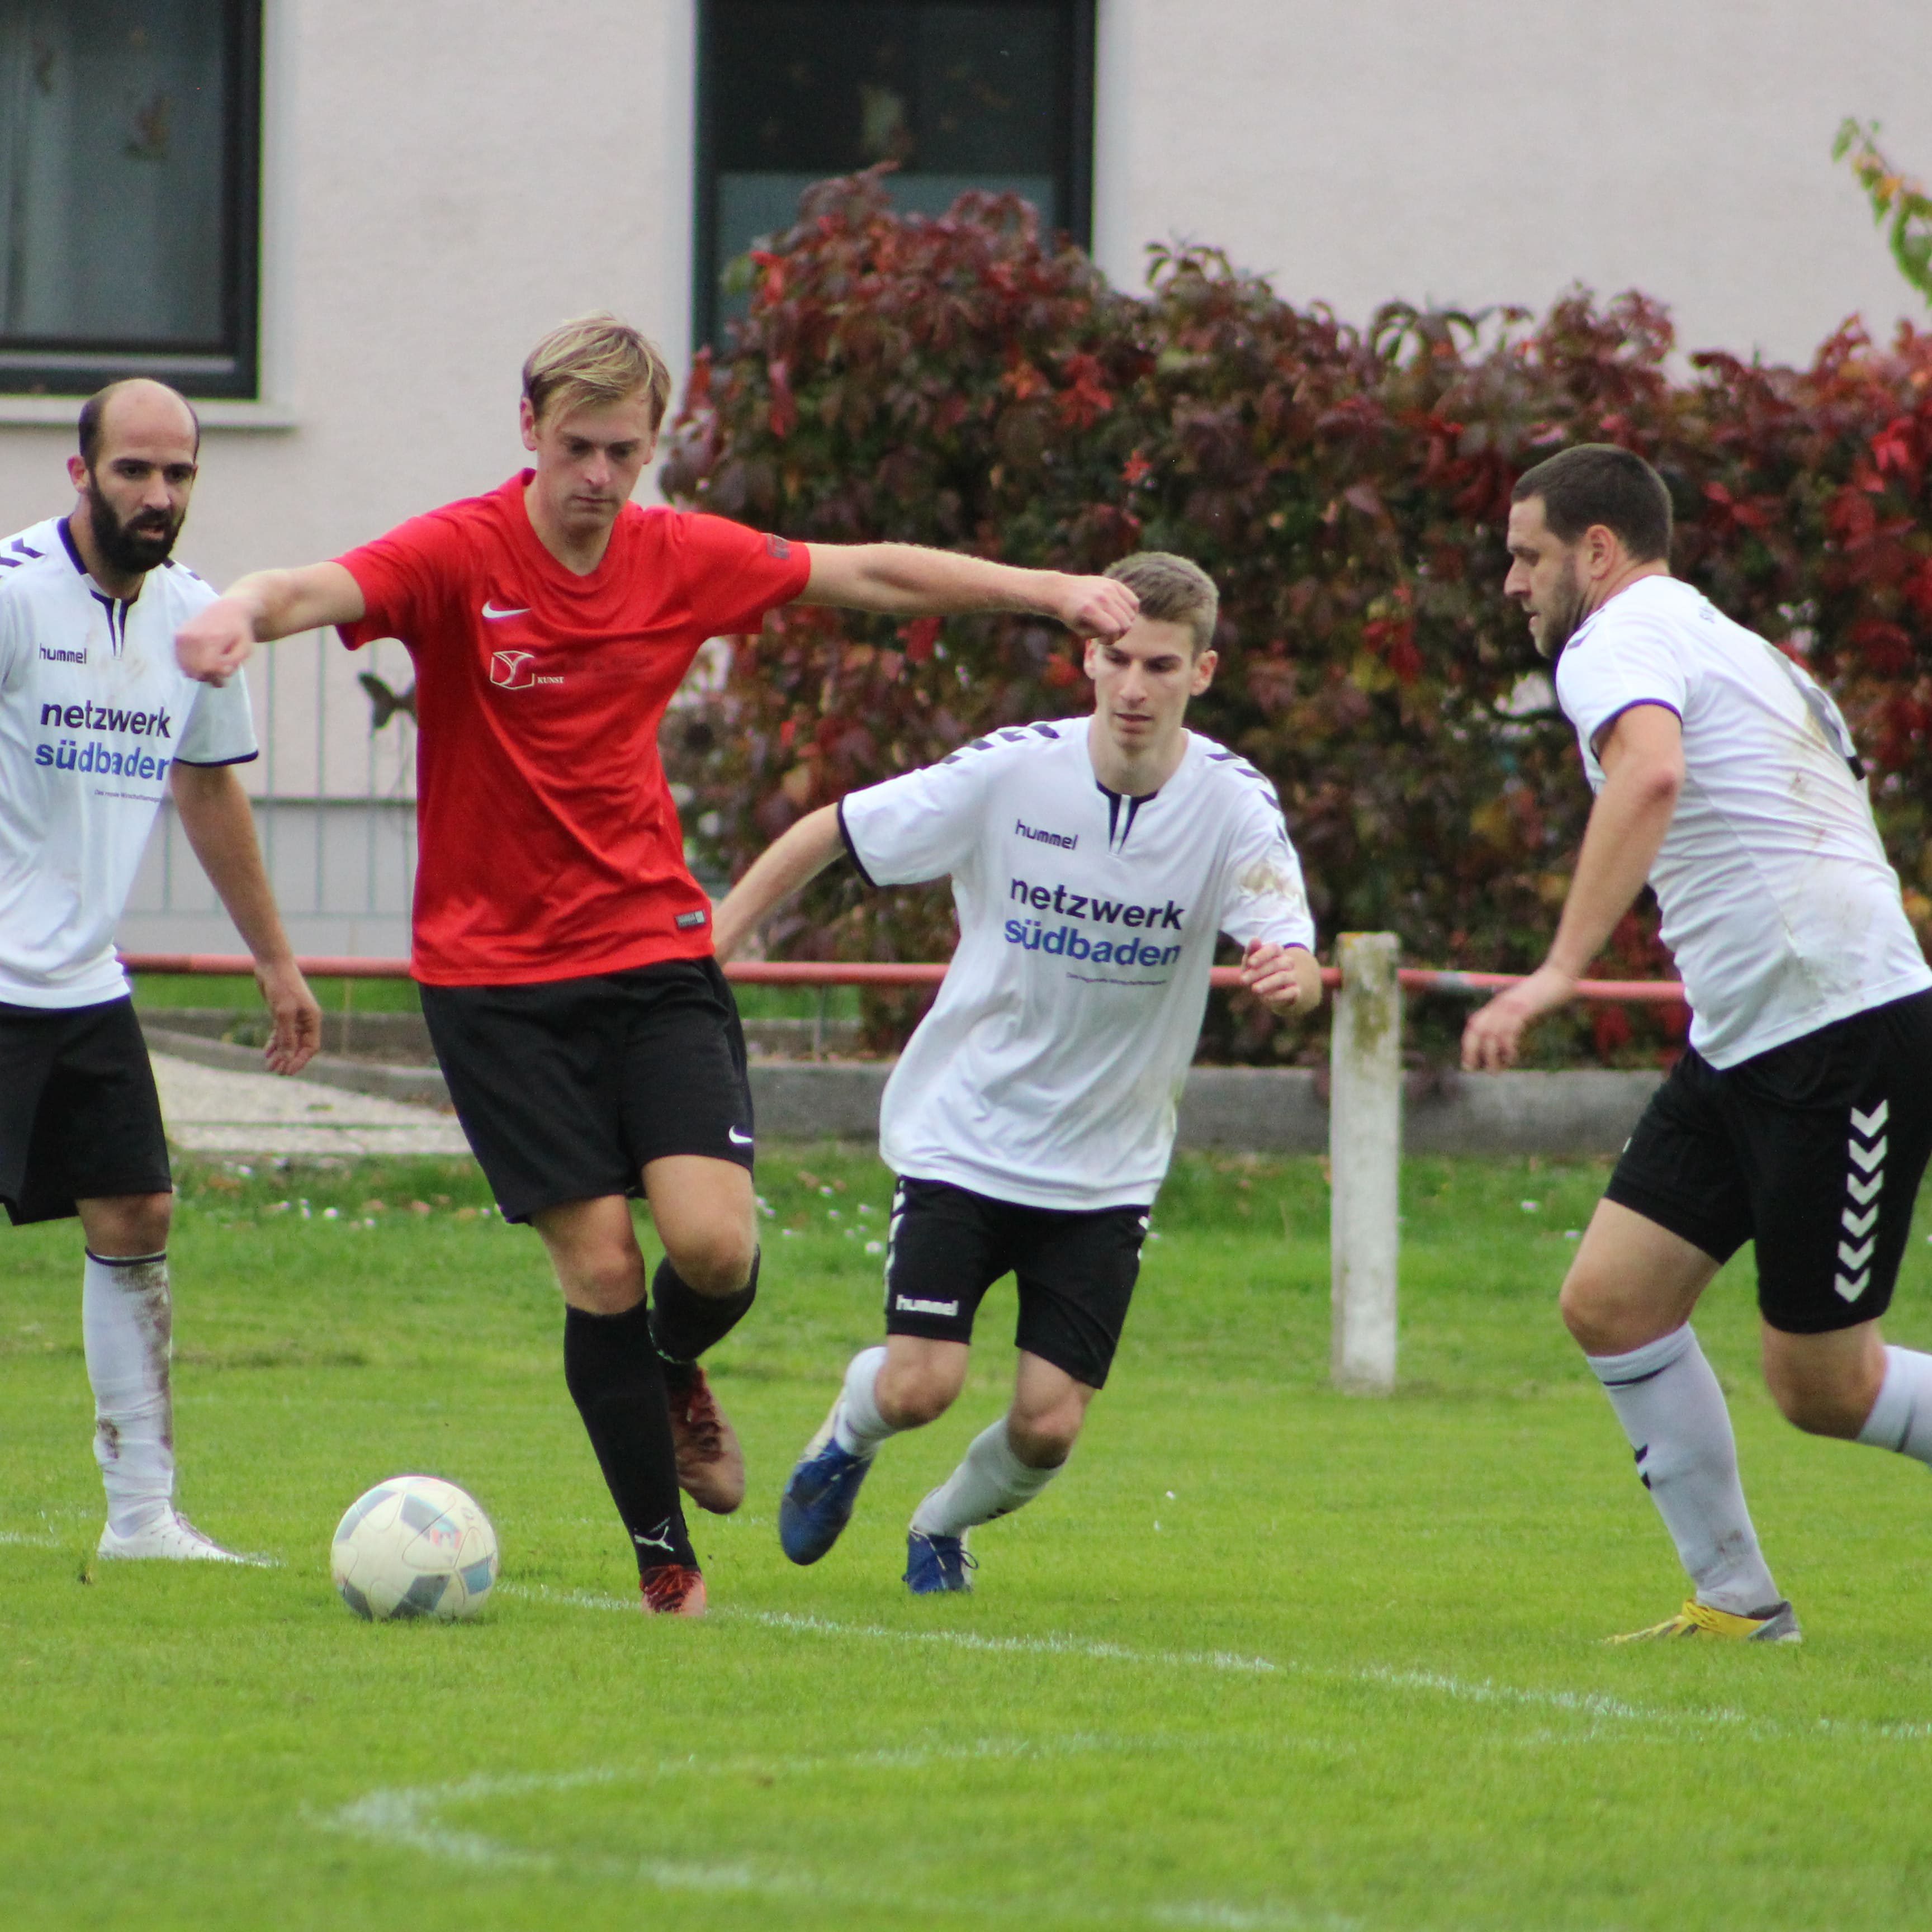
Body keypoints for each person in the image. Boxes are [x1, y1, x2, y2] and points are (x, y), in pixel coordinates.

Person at [173, 314, 1138, 1616]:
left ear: (651, 448)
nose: (598, 476)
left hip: (651, 956)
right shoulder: (461, 553)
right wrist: (236, 611)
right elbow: (312, 590)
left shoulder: (677, 556)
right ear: (529, 428)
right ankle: (664, 1565)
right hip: (494, 986)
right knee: (602, 1273)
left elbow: (866, 575)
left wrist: (1051, 592)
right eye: (577, 446)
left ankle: (673, 1366)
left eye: (624, 453)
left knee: (715, 1251)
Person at [712, 552, 1323, 1593]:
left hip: (1106, 1168)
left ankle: (940, 1527)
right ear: (1088, 658)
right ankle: (847, 1438)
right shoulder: (1010, 772)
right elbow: (832, 829)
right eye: (1117, 659)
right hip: (968, 1133)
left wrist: (1290, 978)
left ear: (1203, 672)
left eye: (1160, 666)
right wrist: (714, 946)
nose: (1134, 687)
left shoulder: (1233, 805)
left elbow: (1295, 956)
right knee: (919, 1388)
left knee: (1048, 1427)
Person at [1462, 443, 1932, 1643]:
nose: (1512, 583)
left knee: (1826, 1386)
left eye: (1526, 556)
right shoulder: (1735, 643)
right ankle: (1736, 1605)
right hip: (1753, 1032)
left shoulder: (1614, 639)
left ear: (1597, 550)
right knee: (1613, 1302)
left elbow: (1653, 775)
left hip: (1834, 1028)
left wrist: (1557, 973)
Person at [1, 379, 321, 1562]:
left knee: (137, 1209)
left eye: (178, 473)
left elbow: (208, 786)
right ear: (80, 474)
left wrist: (276, 962)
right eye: (133, 470)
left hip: (85, 979)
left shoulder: (194, 617)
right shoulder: (13, 594)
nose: (158, 493)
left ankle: (141, 1518)